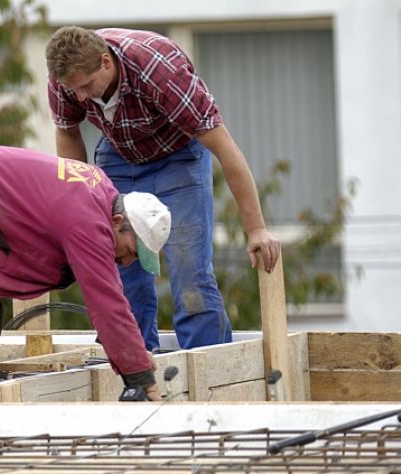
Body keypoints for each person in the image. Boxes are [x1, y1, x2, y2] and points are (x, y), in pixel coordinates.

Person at [45, 26, 281, 351]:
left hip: (177, 157)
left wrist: (256, 229)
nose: (82, 97)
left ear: (105, 62)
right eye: (75, 90)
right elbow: (69, 135)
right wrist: (80, 207)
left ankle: (208, 367)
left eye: (86, 86)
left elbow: (226, 149)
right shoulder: (65, 81)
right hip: (119, 155)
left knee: (189, 271)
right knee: (122, 268)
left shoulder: (160, 69)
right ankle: (132, 367)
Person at [0, 144, 171, 401]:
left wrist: (132, 351)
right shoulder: (88, 220)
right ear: (118, 222)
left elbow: (109, 290)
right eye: (132, 252)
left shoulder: (100, 198)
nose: (125, 263)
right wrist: (142, 379)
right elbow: (106, 302)